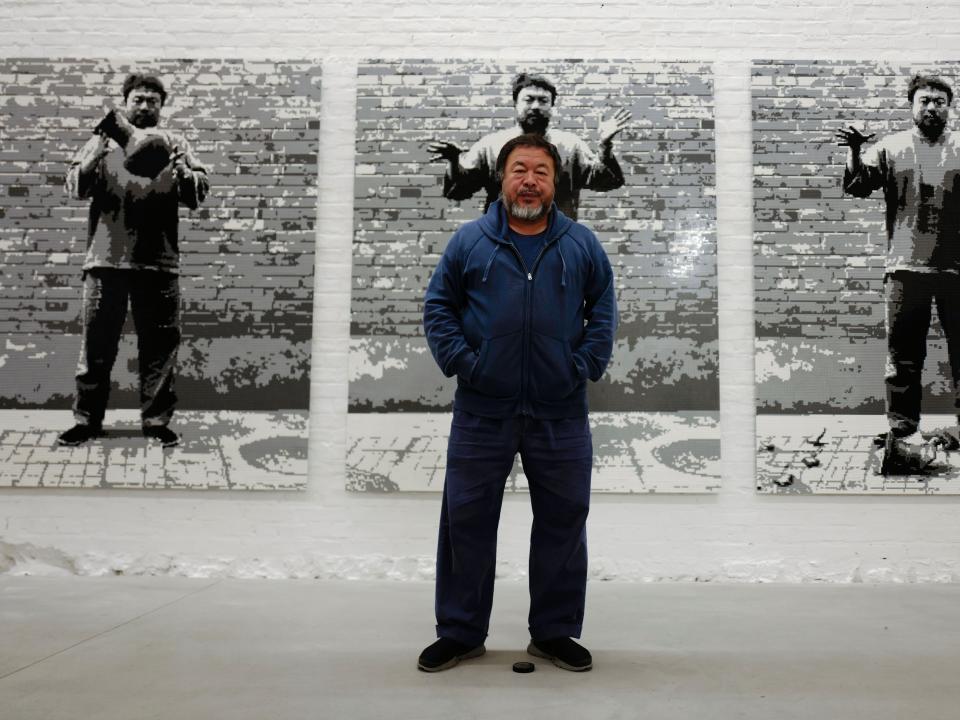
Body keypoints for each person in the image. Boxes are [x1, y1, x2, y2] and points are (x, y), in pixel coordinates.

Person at [419, 133, 618, 672]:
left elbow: (602, 312)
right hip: (483, 409)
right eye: (519, 169)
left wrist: (581, 368)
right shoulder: (469, 242)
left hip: (560, 411)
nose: (529, 180)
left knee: (563, 522)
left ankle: (554, 632)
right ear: (502, 178)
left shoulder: (581, 244)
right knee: (466, 521)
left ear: (555, 183)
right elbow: (438, 307)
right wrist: (468, 364)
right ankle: (460, 631)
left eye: (541, 172)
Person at [57, 73, 210, 448]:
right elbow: (76, 187)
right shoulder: (102, 141)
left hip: (158, 263)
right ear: (126, 103)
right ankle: (86, 421)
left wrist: (184, 171)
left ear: (161, 106)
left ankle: (156, 423)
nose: (144, 106)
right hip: (105, 262)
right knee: (96, 348)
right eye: (138, 99)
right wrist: (100, 144)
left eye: (152, 101)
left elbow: (196, 194)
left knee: (159, 348)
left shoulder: (176, 141)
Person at [838, 74, 960, 472]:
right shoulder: (890, 147)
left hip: (957, 272)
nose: (932, 107)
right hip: (905, 271)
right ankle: (903, 435)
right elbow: (857, 185)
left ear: (949, 107)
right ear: (912, 105)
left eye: (940, 101)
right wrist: (855, 151)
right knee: (903, 359)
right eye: (925, 100)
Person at [427, 72, 631, 220]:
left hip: (556, 246)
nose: (535, 106)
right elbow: (458, 190)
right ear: (515, 103)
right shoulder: (491, 146)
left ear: (551, 107)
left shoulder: (571, 146)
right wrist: (454, 161)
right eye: (529, 99)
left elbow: (606, 182)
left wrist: (605, 145)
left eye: (543, 101)